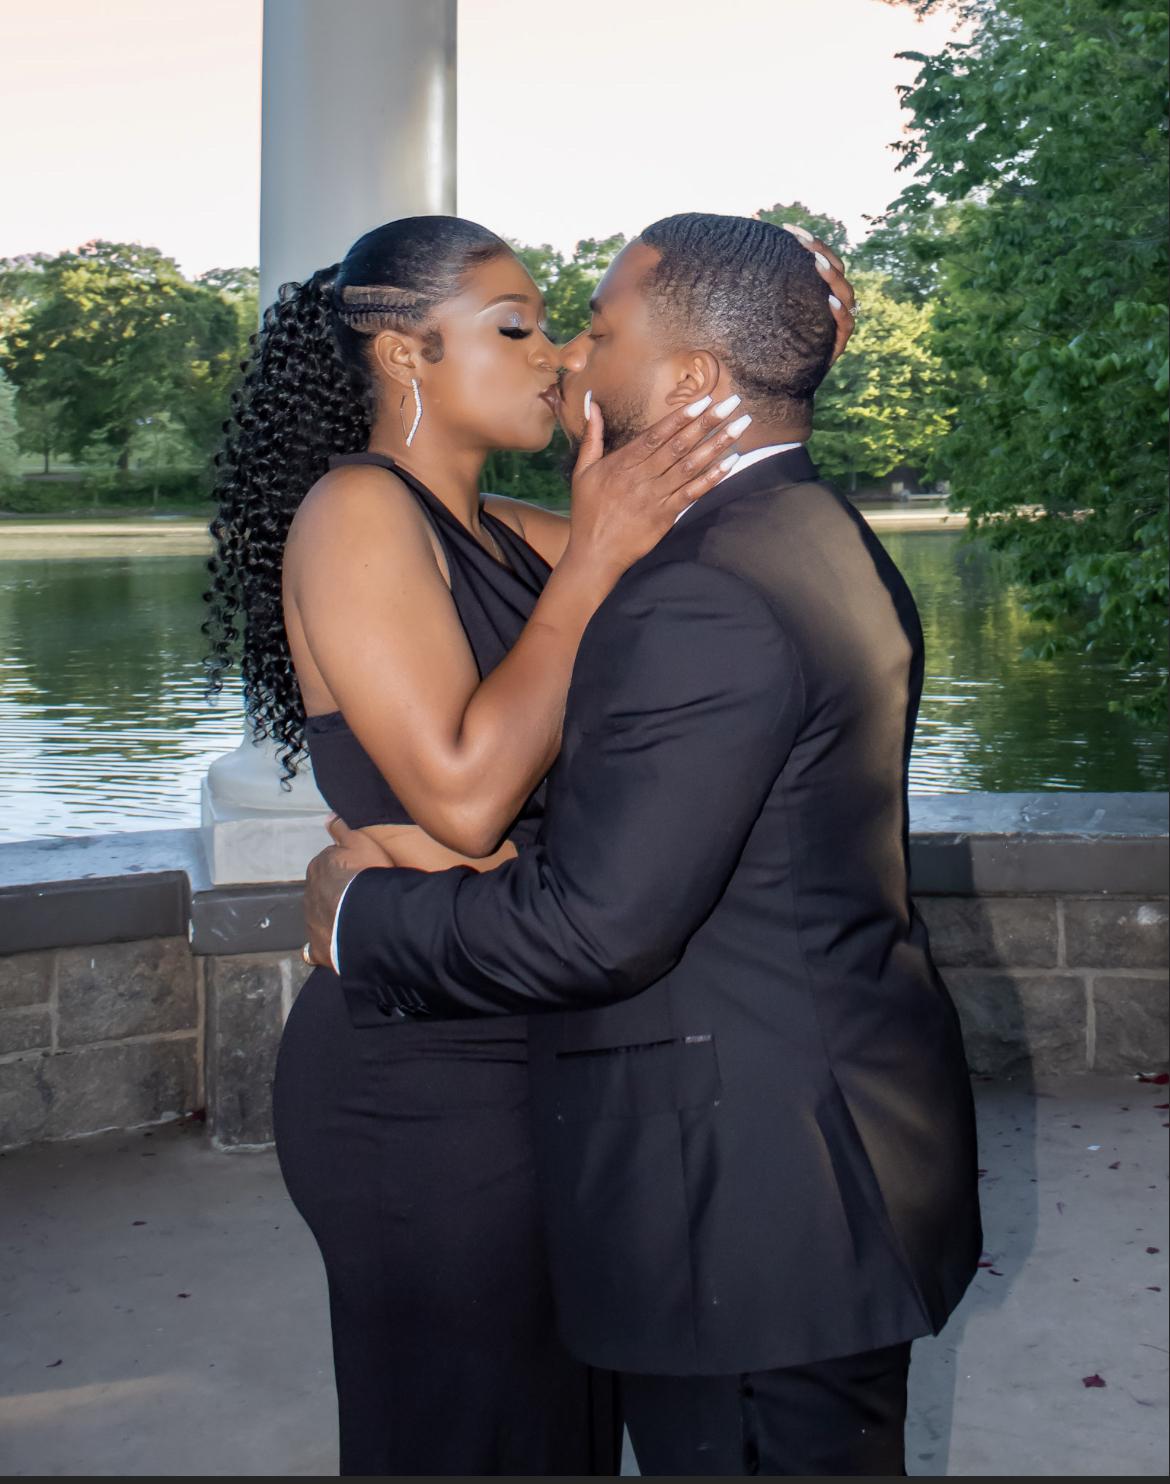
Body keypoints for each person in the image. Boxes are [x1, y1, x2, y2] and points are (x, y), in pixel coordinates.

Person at [304, 212, 983, 1478]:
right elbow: (467, 800)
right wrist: (720, 376)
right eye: (523, 328)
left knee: (563, 1434)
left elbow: (708, 490)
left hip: (571, 1054)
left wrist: (776, 347)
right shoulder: (365, 513)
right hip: (435, 1059)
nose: (561, 354)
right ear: (404, 353)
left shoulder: (561, 531)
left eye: (581, 328)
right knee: (467, 1433)